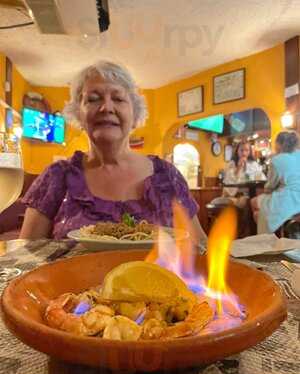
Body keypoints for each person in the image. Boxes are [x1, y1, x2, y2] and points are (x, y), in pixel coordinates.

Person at [19, 61, 206, 241]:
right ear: (78, 115)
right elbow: (27, 258)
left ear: (135, 115)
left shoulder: (167, 175)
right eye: (93, 99)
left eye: (118, 98)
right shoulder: (56, 176)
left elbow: (200, 249)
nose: (106, 107)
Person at [251, 131, 300, 233]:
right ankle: (277, 232)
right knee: (259, 212)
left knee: (254, 202)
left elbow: (270, 187)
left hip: (289, 199)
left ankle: (266, 237)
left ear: (278, 144)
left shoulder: (277, 159)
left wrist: (268, 189)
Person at [213, 141, 265, 208]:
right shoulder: (231, 164)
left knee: (247, 201)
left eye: (246, 150)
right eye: (241, 150)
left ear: (249, 152)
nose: (244, 153)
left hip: (250, 194)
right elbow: (228, 183)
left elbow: (260, 180)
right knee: (243, 201)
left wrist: (247, 168)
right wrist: (238, 168)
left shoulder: (254, 165)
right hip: (233, 196)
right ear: (237, 151)